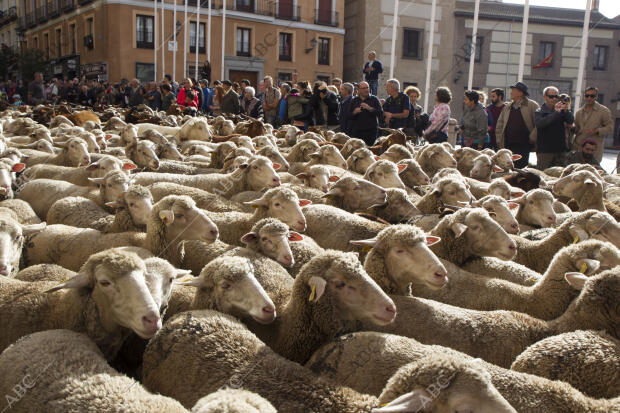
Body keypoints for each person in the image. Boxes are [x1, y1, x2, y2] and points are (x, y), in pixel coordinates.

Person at [495, 82, 539, 169]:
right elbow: (500, 125)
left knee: (521, 168)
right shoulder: (507, 107)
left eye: (513, 90)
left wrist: (532, 137)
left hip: (524, 144)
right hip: (508, 143)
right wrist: (499, 140)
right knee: (507, 167)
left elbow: (538, 124)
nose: (511, 93)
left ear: (520, 93)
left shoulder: (532, 105)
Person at [535, 86, 574, 169]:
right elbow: (541, 124)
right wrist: (556, 113)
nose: (554, 99)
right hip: (545, 152)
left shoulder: (562, 110)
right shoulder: (539, 111)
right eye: (551, 96)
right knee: (542, 174)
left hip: (560, 150)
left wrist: (567, 110)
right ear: (545, 97)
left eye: (556, 96)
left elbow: (570, 120)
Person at [573, 86, 613, 163]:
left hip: (594, 150)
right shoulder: (579, 112)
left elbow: (610, 127)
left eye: (592, 96)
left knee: (592, 171)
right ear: (584, 96)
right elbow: (577, 128)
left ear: (596, 97)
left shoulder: (604, 111)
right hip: (579, 147)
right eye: (587, 95)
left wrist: (597, 131)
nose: (589, 98)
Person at [350, 81, 383, 145]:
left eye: (367, 87)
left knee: (370, 150)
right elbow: (348, 115)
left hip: (371, 131)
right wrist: (354, 112)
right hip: (357, 131)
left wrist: (370, 108)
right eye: (364, 88)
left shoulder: (374, 99)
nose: (366, 90)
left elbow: (381, 113)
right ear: (359, 90)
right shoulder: (354, 100)